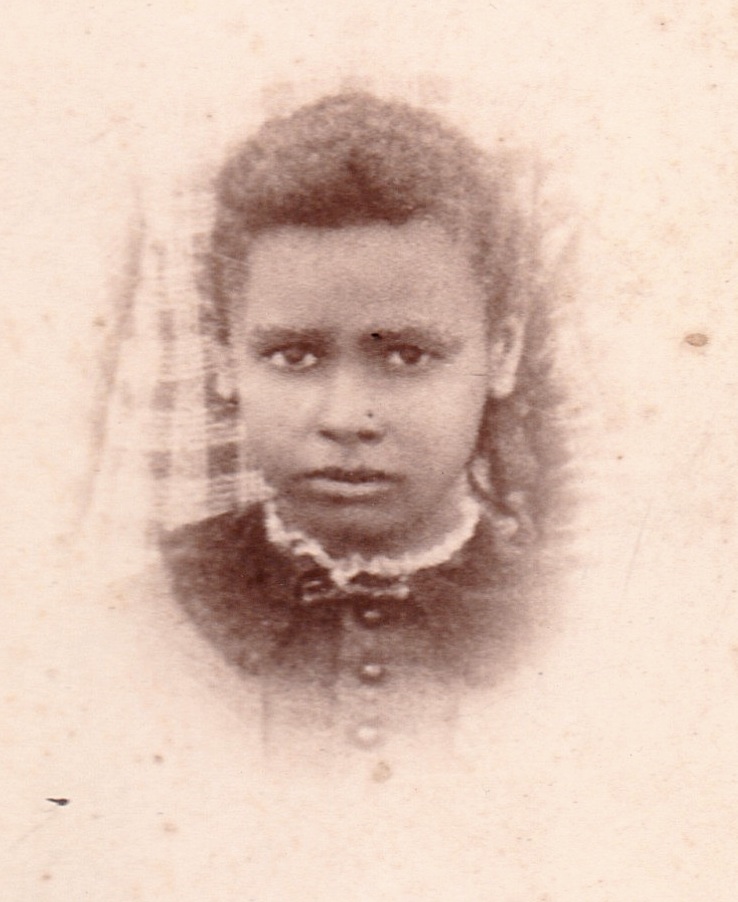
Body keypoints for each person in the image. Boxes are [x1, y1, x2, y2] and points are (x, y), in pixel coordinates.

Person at [157, 92, 566, 767]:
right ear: (226, 358)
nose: (346, 418)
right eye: (294, 357)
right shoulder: (140, 623)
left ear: (503, 354)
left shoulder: (578, 631)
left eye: (408, 357)